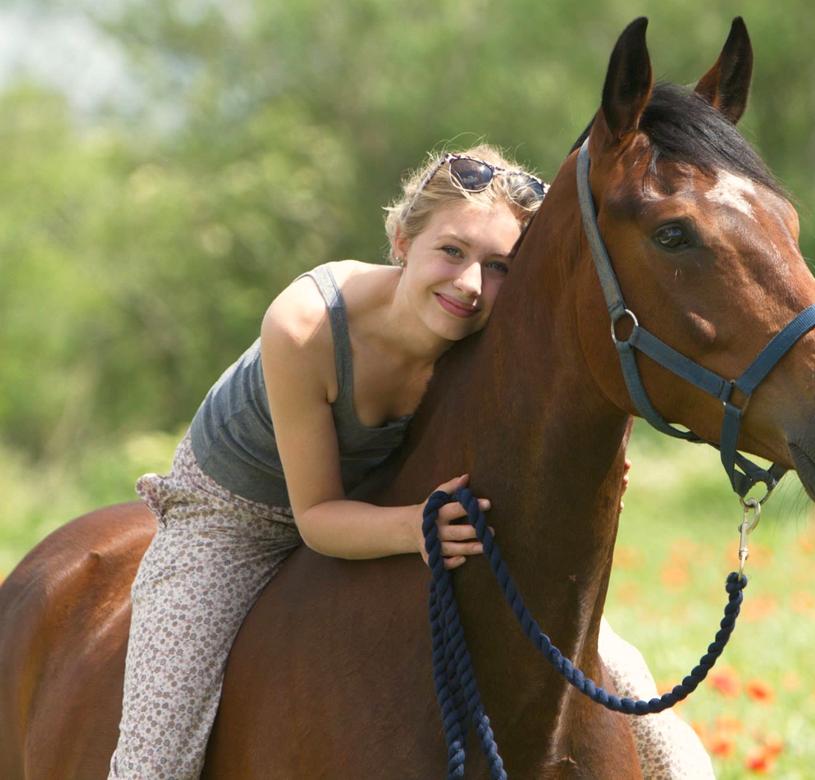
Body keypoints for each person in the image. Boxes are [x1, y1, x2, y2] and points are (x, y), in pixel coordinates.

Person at [109, 144, 714, 779]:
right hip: (235, 518)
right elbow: (314, 517)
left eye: (500, 266)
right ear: (402, 239)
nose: (470, 285)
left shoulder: (482, 333)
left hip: (387, 495)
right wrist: (415, 526)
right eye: (451, 251)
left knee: (651, 721)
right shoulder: (304, 327)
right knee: (156, 755)